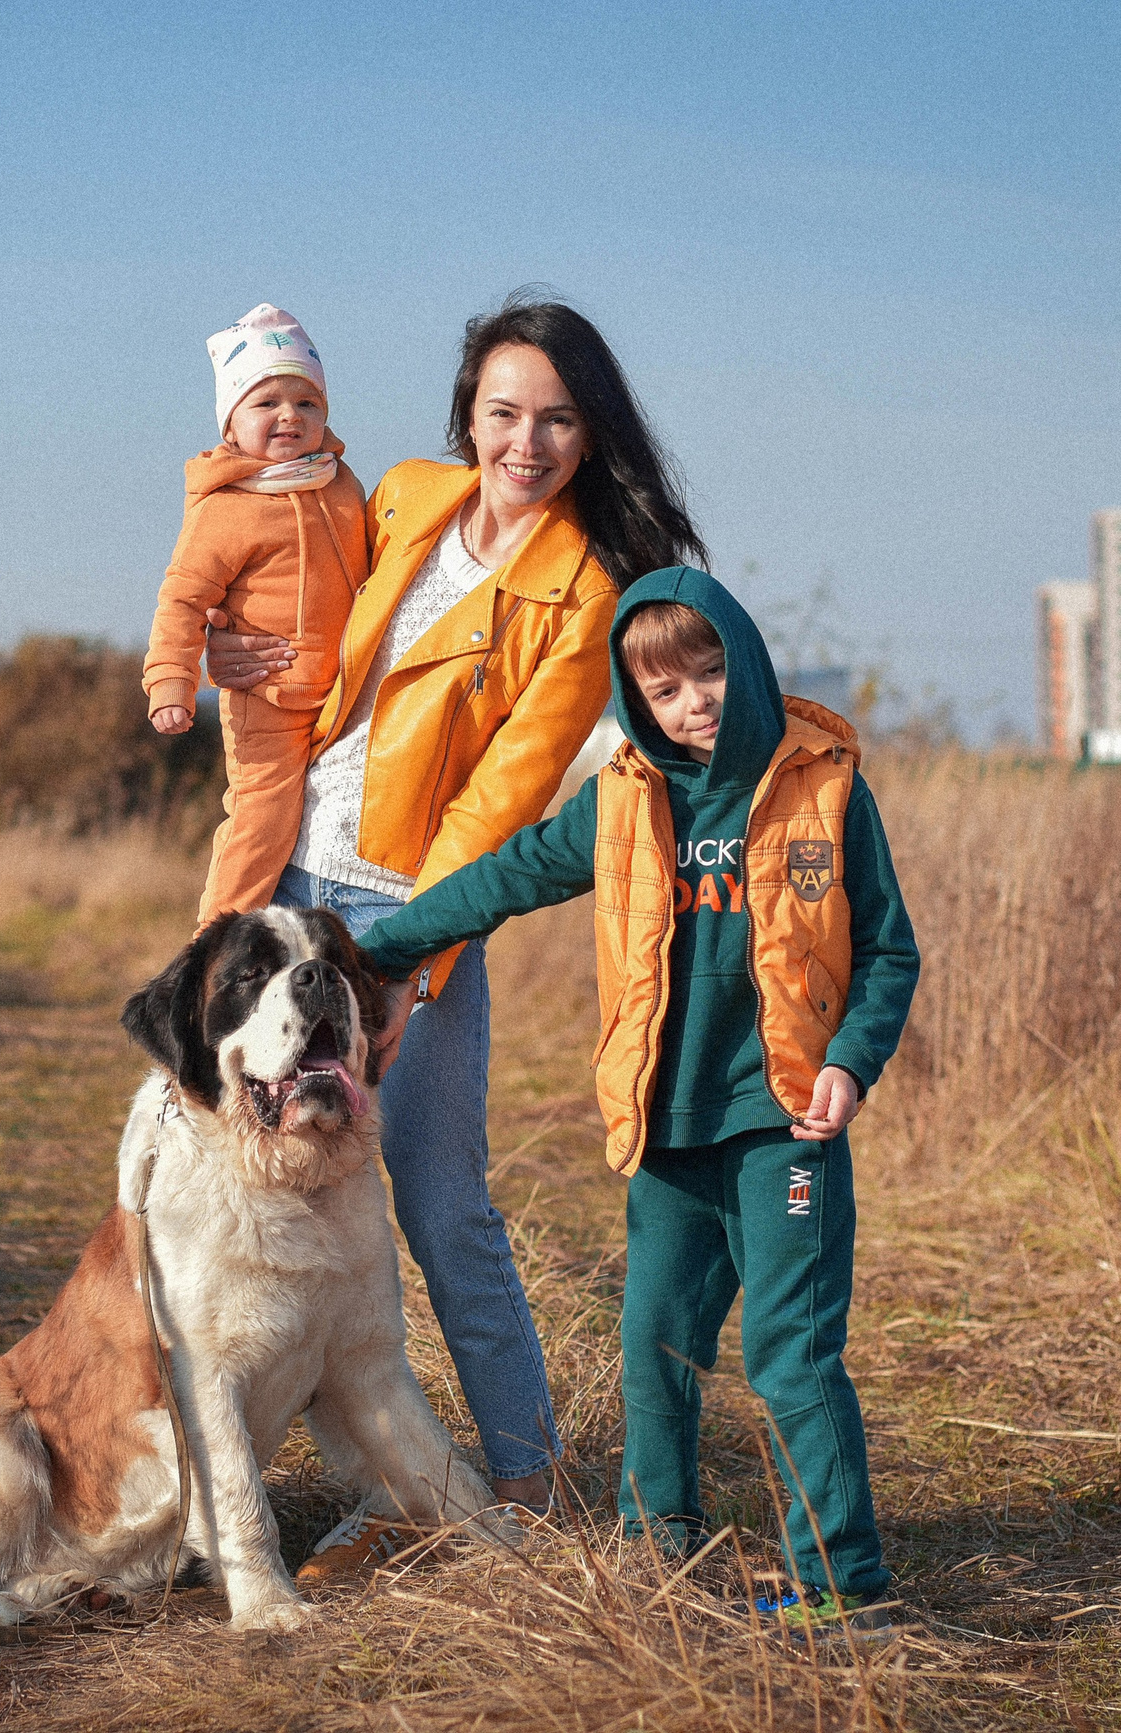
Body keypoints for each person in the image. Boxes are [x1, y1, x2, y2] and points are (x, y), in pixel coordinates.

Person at [205, 295, 708, 1579]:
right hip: (285, 877)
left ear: (589, 433)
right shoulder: (409, 495)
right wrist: (232, 643)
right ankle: (334, 1469)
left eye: (554, 418)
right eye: (502, 412)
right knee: (252, 1188)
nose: (524, 442)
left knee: (432, 1198)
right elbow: (293, 580)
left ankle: (525, 1474)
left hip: (404, 905)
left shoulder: (588, 586)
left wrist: (406, 952)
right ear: (466, 416)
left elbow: (504, 796)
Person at [351, 568, 921, 1634]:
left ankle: (845, 1586)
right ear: (635, 700)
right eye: (664, 689)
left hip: (785, 1124)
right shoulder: (619, 797)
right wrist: (379, 948)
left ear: (743, 661)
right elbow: (505, 875)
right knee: (652, 1339)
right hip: (664, 1130)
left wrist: (850, 1060)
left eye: (709, 672)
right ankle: (657, 1547)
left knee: (788, 1353)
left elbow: (887, 946)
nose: (694, 701)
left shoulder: (826, 783)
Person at [144, 304, 368, 921]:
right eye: (266, 403)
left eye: (307, 403)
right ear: (231, 424)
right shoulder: (226, 509)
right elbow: (182, 600)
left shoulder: (341, 484)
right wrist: (172, 682)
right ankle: (216, 941)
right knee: (261, 819)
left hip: (345, 691)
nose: (290, 417)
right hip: (267, 694)